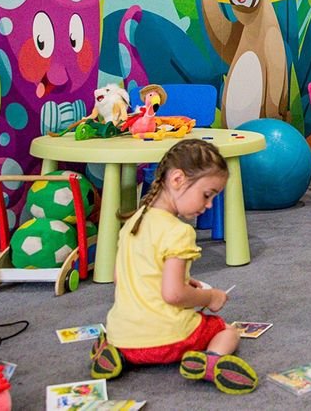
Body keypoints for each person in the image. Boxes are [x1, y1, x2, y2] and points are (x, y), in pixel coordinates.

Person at [89, 139, 257, 394]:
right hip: (170, 339)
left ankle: (115, 352)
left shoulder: (134, 221)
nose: (209, 205)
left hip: (122, 336)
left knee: (128, 336)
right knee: (226, 330)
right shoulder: (178, 231)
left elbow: (120, 278)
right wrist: (210, 296)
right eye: (207, 195)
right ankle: (211, 360)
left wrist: (183, 282)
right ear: (177, 179)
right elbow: (174, 294)